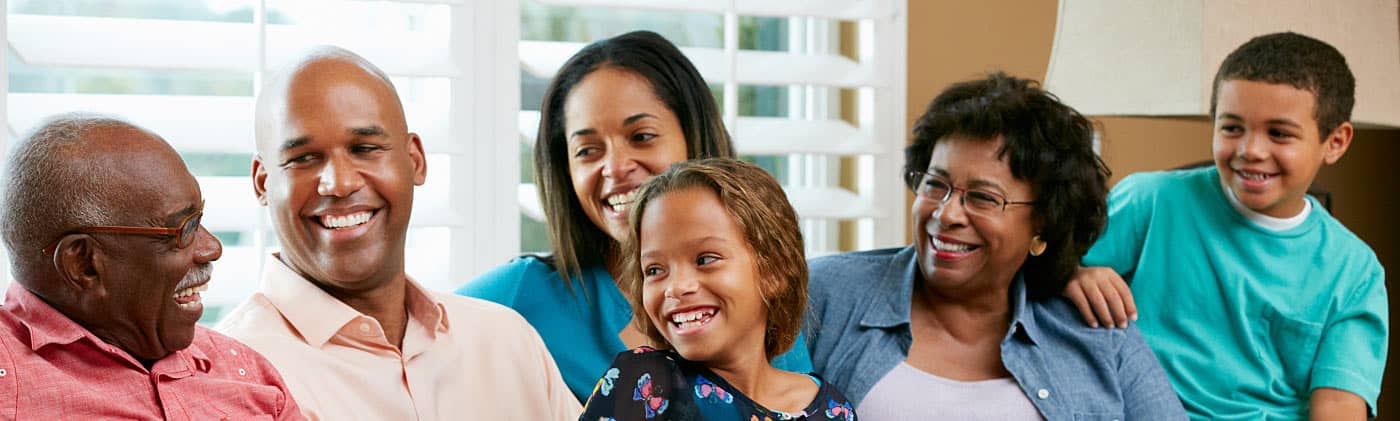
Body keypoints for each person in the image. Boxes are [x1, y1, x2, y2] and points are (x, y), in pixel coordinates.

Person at [216, 47, 579, 420]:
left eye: (364, 149)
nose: (338, 183)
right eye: (304, 158)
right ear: (262, 183)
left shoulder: (506, 342)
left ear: (415, 161)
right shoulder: (232, 377)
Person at [804, 73, 1186, 420]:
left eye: (984, 198)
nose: (947, 212)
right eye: (936, 185)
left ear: (1043, 227)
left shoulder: (1097, 331)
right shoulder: (825, 295)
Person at [457, 30, 812, 403]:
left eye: (641, 136)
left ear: (694, 137)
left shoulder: (758, 292)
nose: (615, 166)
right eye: (587, 150)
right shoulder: (521, 295)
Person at [1067, 32, 1387, 420]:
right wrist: (1072, 274)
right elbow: (1036, 282)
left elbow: (1338, 405)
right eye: (1232, 128)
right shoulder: (1151, 201)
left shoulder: (1354, 270)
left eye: (1279, 133)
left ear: (1335, 142)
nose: (1250, 150)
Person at [0, 115, 303, 420]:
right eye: (184, 230)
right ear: (84, 264)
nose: (212, 248)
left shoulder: (246, 372)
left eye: (200, 218)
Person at [580, 158, 856, 420]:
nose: (675, 287)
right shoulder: (645, 383)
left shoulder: (834, 410)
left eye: (705, 260)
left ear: (774, 271)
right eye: (654, 270)